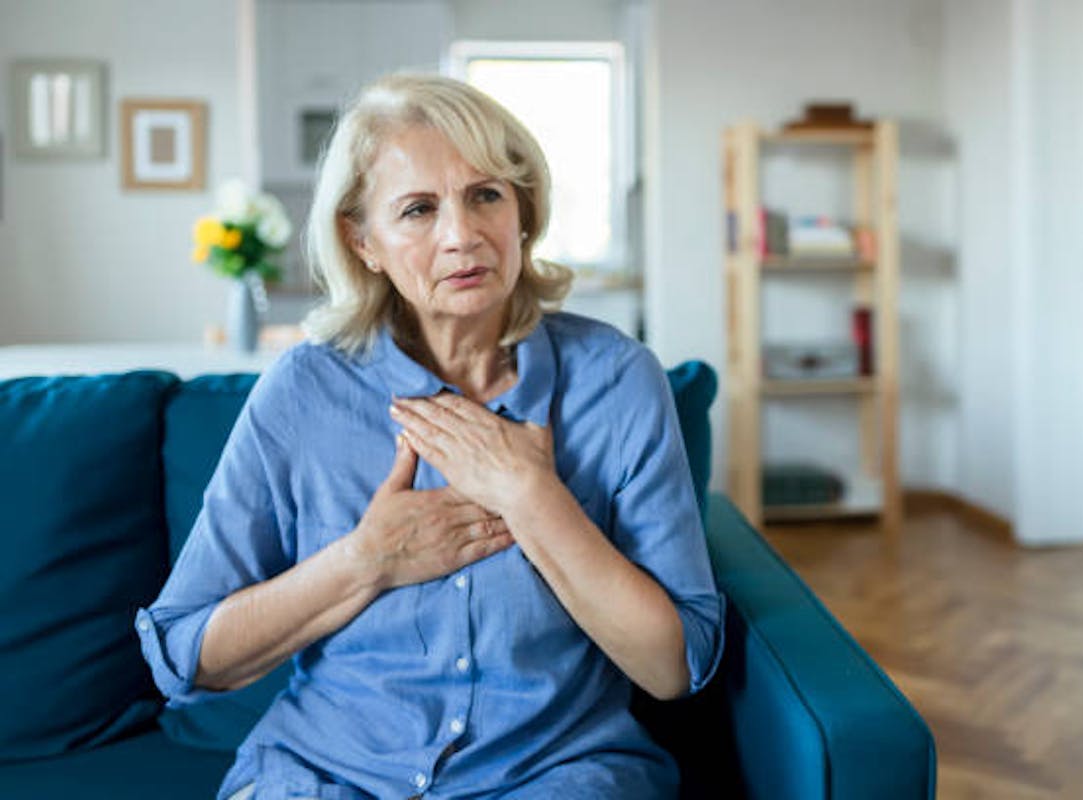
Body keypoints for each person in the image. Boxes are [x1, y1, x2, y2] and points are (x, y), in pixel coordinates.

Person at [137, 73, 724, 800]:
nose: (463, 235)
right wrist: (365, 560)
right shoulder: (303, 391)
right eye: (418, 209)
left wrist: (532, 496)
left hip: (554, 774)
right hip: (324, 776)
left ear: (524, 211)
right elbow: (186, 656)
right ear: (364, 242)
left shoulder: (620, 380)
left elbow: (672, 668)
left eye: (487, 195)